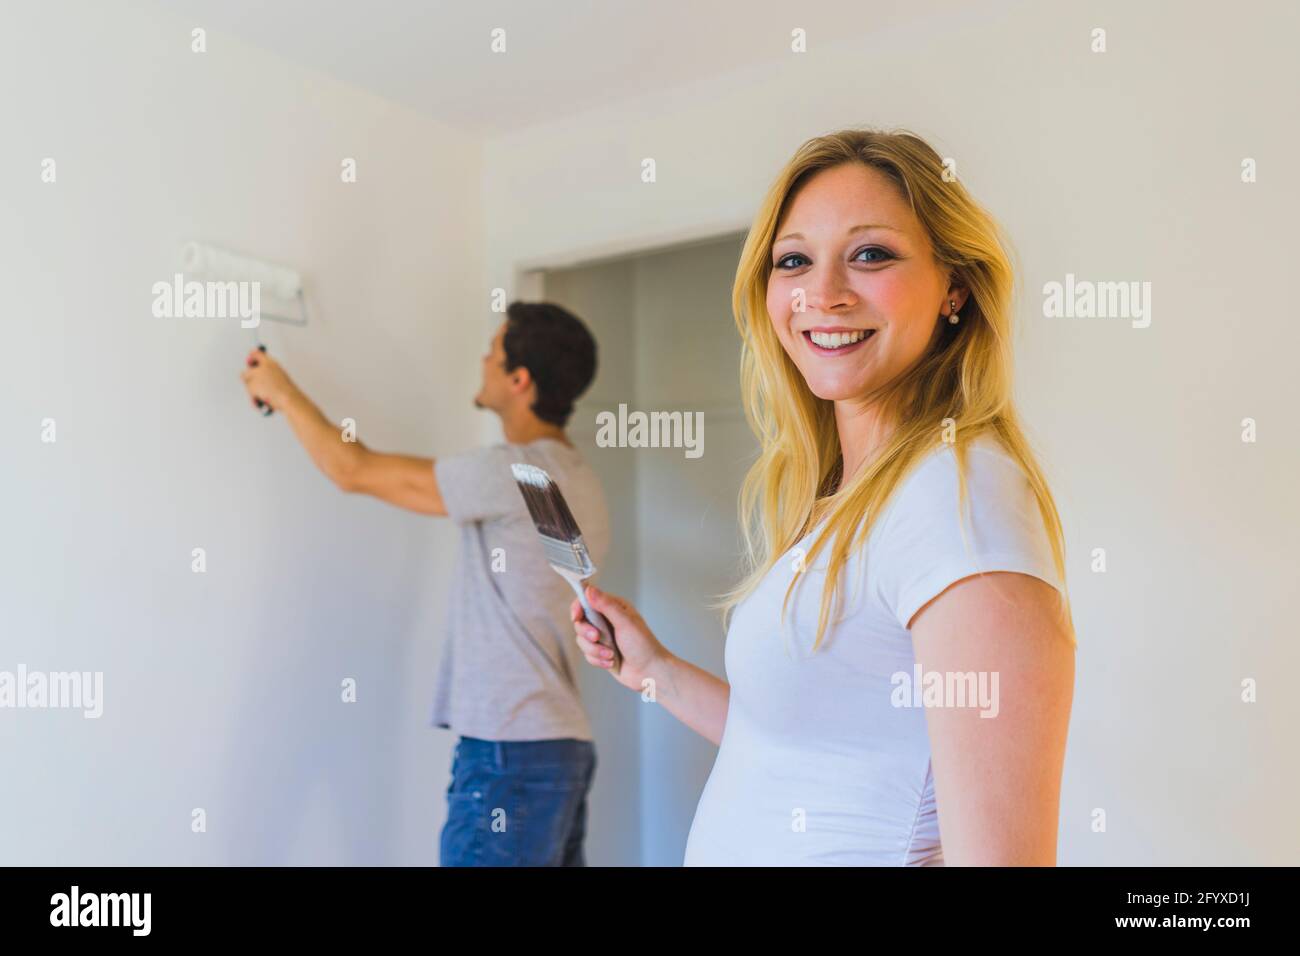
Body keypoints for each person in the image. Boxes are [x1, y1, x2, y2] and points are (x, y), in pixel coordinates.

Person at [570, 128, 1077, 866]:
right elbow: (802, 749)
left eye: (871, 254)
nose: (824, 294)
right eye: (794, 260)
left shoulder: (958, 499)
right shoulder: (851, 497)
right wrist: (656, 673)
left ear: (955, 287)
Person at [240, 300, 609, 867]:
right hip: (560, 747)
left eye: (492, 352)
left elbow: (353, 470)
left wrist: (284, 392)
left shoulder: (511, 472)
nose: (481, 360)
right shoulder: (575, 476)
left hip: (508, 752)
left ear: (519, 379)